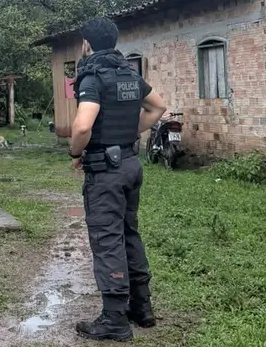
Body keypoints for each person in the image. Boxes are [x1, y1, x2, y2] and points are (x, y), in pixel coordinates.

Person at [68, 18, 167, 342]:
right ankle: (142, 307)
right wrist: (128, 133)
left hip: (106, 173)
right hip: (130, 164)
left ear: (87, 44)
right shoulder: (129, 74)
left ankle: (114, 319)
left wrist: (75, 152)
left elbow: (83, 126)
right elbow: (157, 107)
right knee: (128, 233)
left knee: (107, 237)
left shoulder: (93, 77)